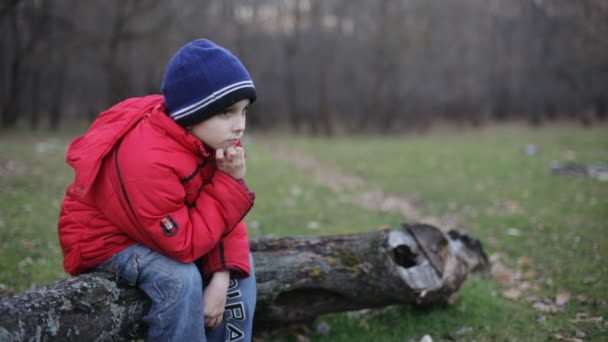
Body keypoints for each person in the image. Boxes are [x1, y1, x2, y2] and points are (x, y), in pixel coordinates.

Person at [57, 39, 257, 341]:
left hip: (173, 229)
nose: (239, 125)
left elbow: (225, 217)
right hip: (108, 240)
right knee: (180, 278)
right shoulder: (147, 159)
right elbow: (183, 245)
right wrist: (230, 182)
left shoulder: (216, 141)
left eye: (243, 111)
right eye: (227, 112)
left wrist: (223, 275)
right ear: (193, 113)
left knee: (238, 266)